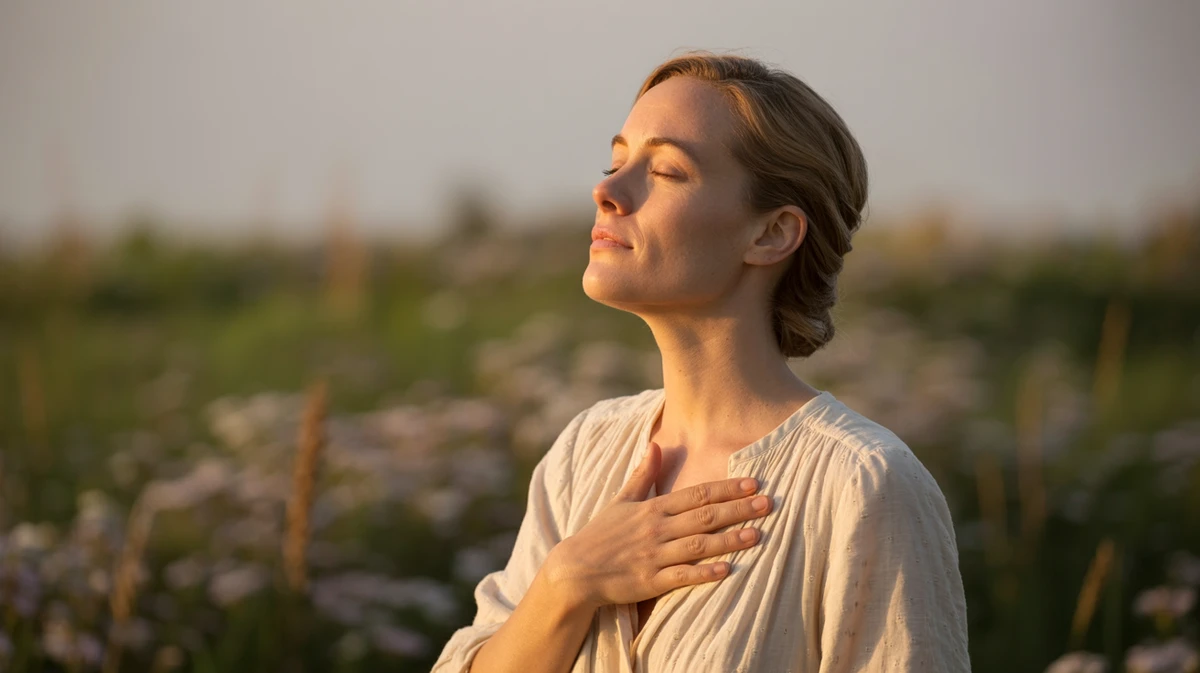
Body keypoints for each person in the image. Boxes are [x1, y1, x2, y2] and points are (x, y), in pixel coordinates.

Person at [433, 50, 970, 673]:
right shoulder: (586, 452)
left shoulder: (864, 486)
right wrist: (567, 582)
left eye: (664, 170)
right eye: (615, 161)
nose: (606, 190)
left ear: (771, 234)